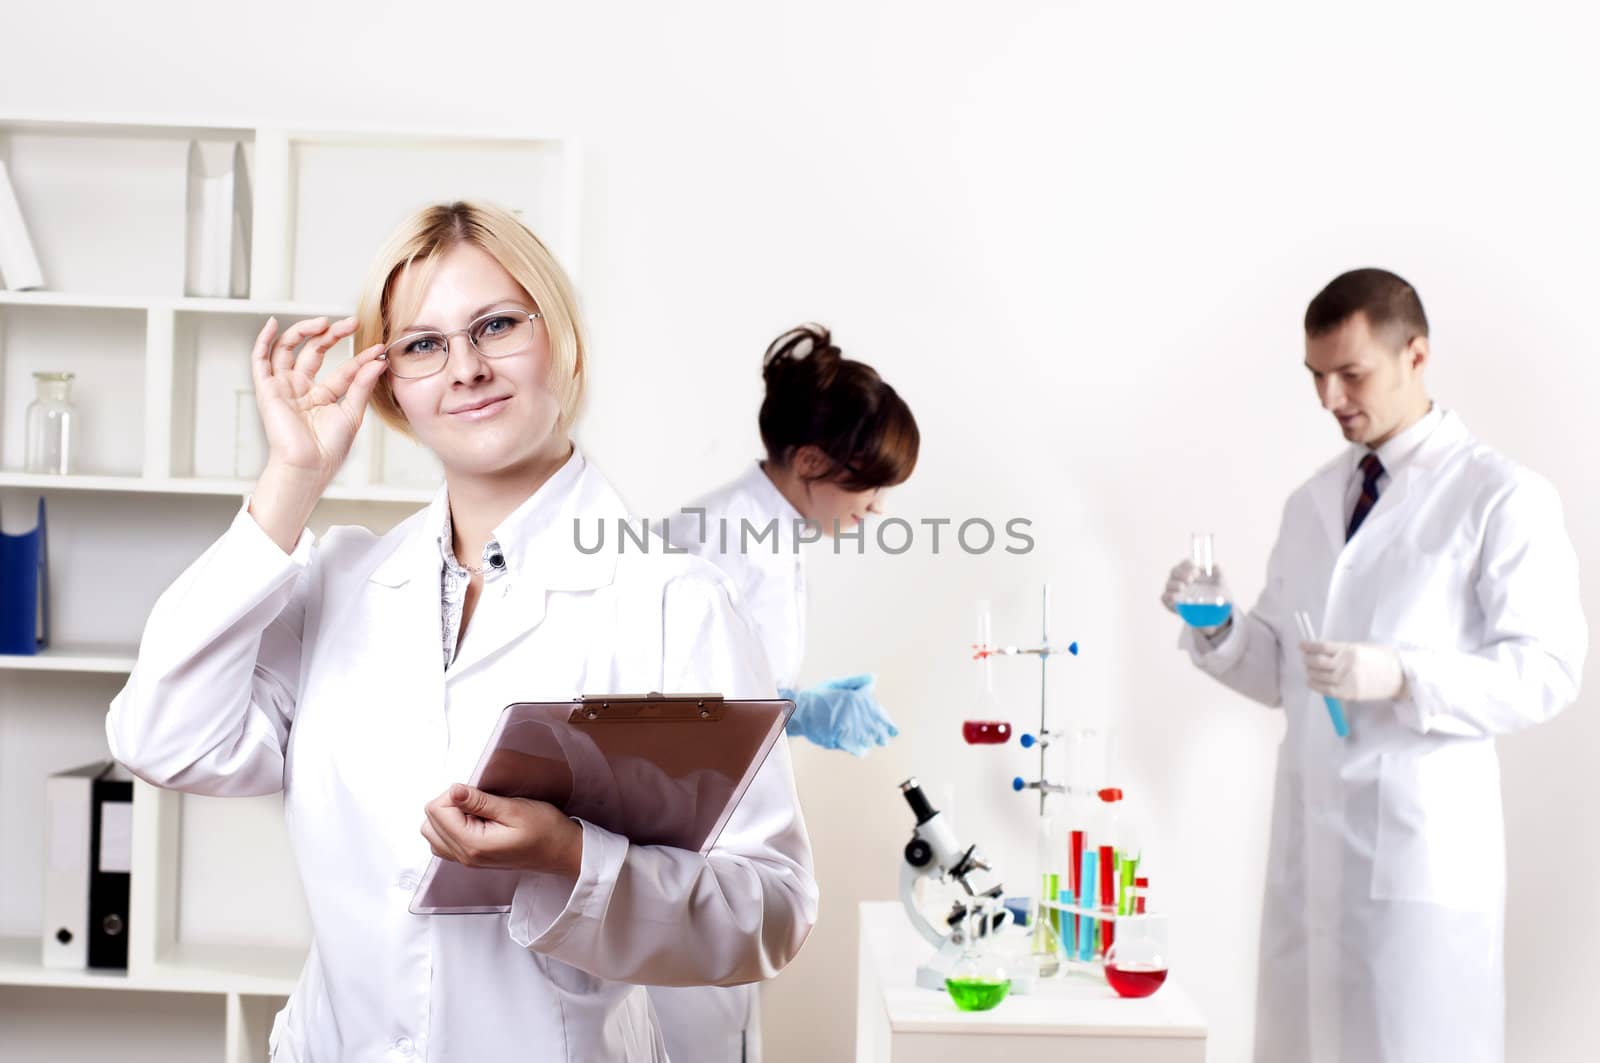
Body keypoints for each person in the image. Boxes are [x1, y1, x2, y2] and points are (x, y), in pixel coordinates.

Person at [106, 201, 817, 1062]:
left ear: (564, 339)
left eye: (496, 325)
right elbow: (163, 738)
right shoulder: (343, 579)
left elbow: (770, 910)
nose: (466, 368)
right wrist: (290, 478)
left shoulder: (672, 600)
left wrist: (571, 857)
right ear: (392, 385)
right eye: (423, 344)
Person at [1162, 267, 1586, 1063]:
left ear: (1416, 355)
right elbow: (1288, 674)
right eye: (1316, 376)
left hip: (1418, 872)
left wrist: (1402, 674)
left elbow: (1549, 668)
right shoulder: (1313, 501)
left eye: (1350, 372)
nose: (1330, 397)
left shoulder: (1500, 496)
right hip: (1312, 866)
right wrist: (1217, 627)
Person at [651, 323, 919, 1062]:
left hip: (721, 842)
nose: (875, 509)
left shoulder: (769, 535)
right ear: (809, 461)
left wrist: (791, 705)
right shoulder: (716, 540)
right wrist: (795, 709)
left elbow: (736, 683)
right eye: (868, 487)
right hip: (685, 844)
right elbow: (671, 708)